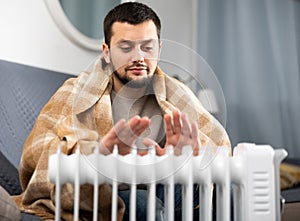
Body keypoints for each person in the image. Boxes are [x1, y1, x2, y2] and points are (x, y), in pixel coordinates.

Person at [13, 2, 231, 220]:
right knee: (144, 204)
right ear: (107, 52)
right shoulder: (76, 91)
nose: (138, 57)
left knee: (224, 194)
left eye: (147, 47)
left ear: (159, 48)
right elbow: (36, 153)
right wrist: (97, 156)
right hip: (108, 191)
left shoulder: (179, 96)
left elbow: (218, 146)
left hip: (162, 186)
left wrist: (186, 161)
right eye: (126, 48)